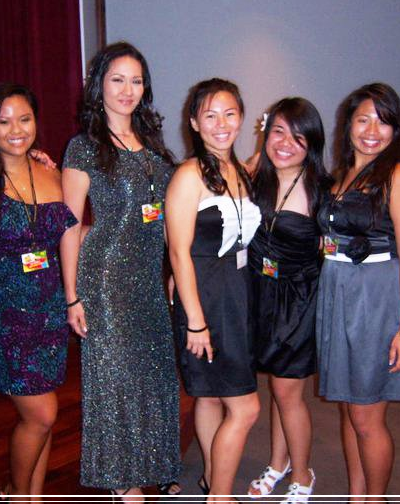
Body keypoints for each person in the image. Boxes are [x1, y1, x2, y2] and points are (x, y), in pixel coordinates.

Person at [61, 42, 181, 501]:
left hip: (149, 277)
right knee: (116, 378)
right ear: (99, 85)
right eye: (117, 80)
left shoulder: (153, 146)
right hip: (106, 278)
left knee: (155, 373)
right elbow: (69, 226)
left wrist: (174, 271)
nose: (127, 90)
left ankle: (158, 463)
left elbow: (166, 218)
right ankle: (121, 478)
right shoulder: (84, 147)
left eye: (136, 81)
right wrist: (72, 295)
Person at [0, 83, 77, 498]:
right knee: (41, 414)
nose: (16, 129)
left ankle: (33, 495)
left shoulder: (51, 172)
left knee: (44, 415)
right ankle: (14, 491)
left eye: (25, 119)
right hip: (2, 313)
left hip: (49, 310)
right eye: (4, 121)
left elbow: (69, 233)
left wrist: (73, 296)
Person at [315, 83, 400, 495]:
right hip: (339, 292)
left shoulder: (399, 177)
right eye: (363, 120)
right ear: (349, 125)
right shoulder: (341, 175)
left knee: (366, 417)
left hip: (376, 300)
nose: (372, 131)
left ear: (396, 130)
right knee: (349, 409)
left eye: (383, 122)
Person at [166, 78, 262, 501]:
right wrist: (196, 321)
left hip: (236, 291)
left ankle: (210, 477)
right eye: (210, 115)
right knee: (246, 406)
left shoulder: (238, 170)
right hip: (205, 296)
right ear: (194, 122)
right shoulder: (188, 175)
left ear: (242, 118)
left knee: (208, 395)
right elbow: (178, 252)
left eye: (230, 114)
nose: (221, 124)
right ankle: (219, 496)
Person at [246, 98, 331, 502]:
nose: (285, 143)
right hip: (261, 294)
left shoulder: (322, 190)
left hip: (299, 302)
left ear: (311, 143)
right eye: (278, 131)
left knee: (287, 392)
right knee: (277, 389)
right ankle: (278, 463)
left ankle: (302, 474)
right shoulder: (254, 177)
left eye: (298, 137)